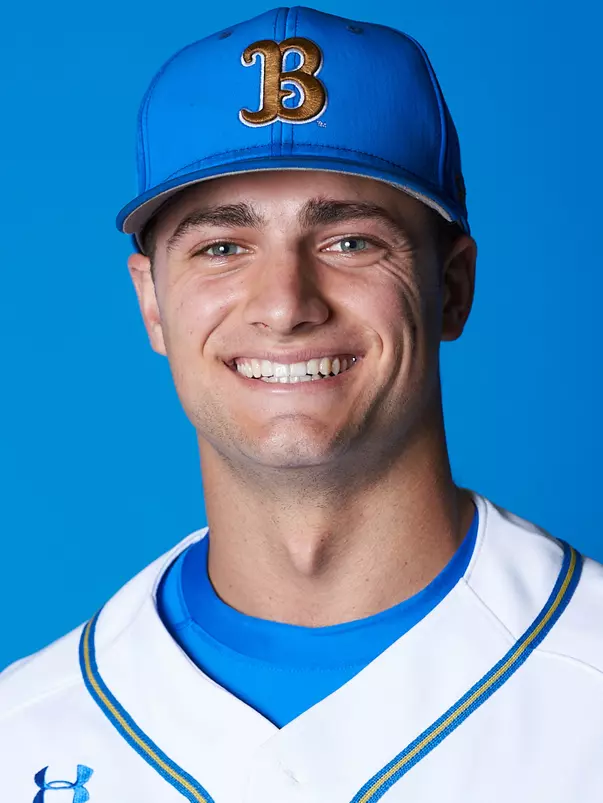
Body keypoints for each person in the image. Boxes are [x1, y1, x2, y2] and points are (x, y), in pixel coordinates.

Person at [2, 6, 602, 802]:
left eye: (349, 241)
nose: (285, 305)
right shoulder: (23, 733)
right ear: (152, 304)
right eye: (222, 246)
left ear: (451, 286)